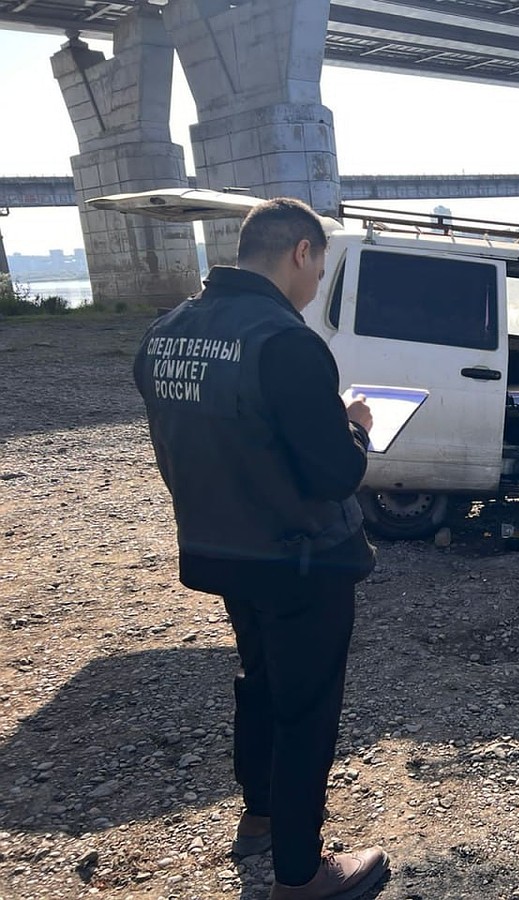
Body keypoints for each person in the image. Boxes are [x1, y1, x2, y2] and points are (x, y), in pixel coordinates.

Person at [133, 198, 389, 900]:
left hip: (221, 549)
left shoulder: (166, 333)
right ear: (301, 253)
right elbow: (336, 472)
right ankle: (303, 873)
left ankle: (260, 816)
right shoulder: (284, 340)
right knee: (306, 705)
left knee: (261, 680)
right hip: (300, 558)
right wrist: (357, 429)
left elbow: (216, 434)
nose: (316, 286)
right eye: (321, 266)